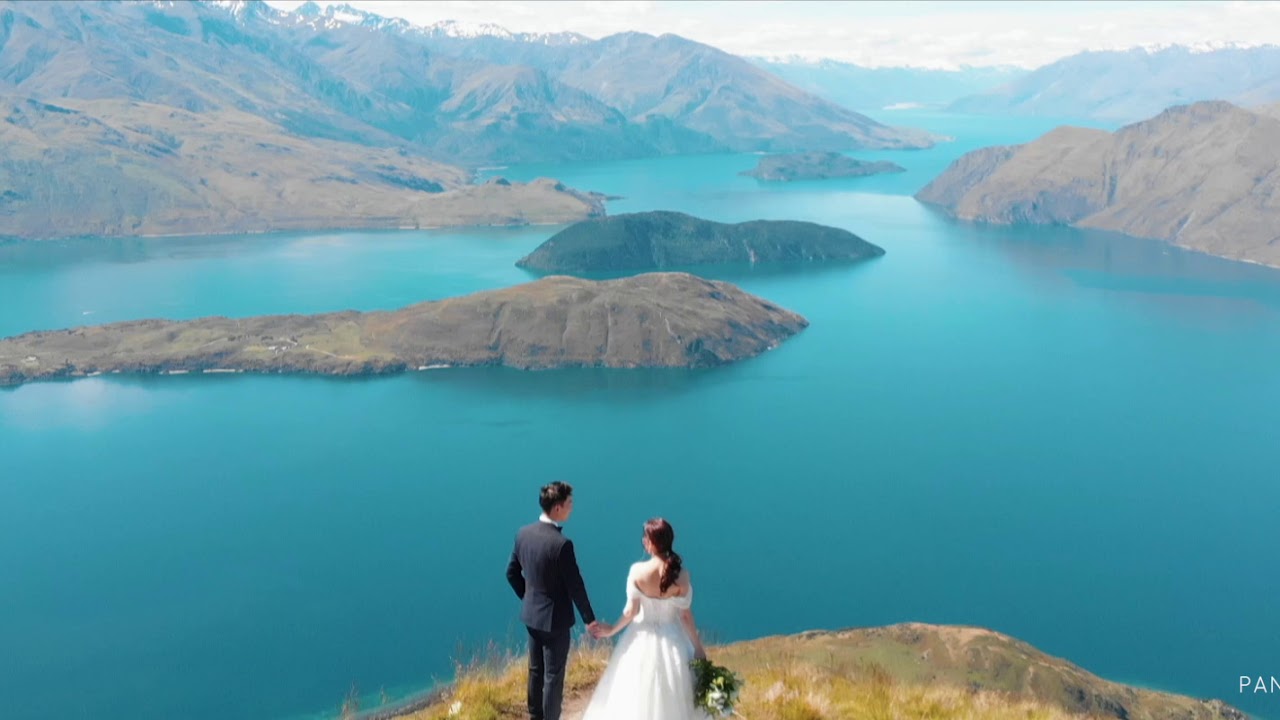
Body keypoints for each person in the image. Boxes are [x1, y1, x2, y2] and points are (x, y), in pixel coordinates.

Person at [579, 517, 711, 720]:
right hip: (674, 640)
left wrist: (611, 630)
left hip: (640, 639)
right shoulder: (683, 575)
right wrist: (697, 647)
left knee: (632, 695)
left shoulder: (637, 571)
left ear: (651, 543)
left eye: (645, 538)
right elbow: (685, 616)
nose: (643, 542)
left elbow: (631, 612)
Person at [506, 482, 607, 720]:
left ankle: (534, 716)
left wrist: (528, 597)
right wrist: (590, 620)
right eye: (570, 503)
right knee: (553, 675)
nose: (572, 507)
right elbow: (575, 586)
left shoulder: (523, 534)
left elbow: (511, 573)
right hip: (555, 622)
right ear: (558, 508)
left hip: (532, 616)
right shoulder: (561, 545)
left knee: (535, 669)